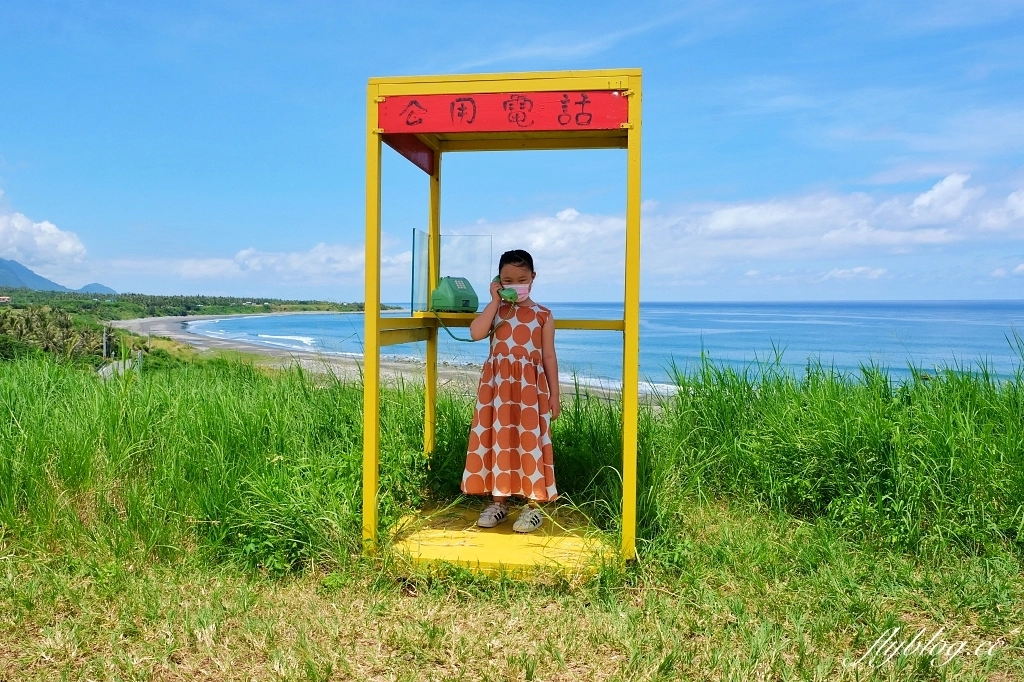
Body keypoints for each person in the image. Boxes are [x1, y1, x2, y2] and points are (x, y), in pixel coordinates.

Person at [461, 249, 561, 533]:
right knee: (499, 439)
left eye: (521, 279)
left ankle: (533, 507)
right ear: (498, 281)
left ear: (533, 278)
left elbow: (549, 357)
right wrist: (494, 300)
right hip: (497, 390)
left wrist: (555, 395)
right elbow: (476, 333)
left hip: (530, 391)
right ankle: (499, 502)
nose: (515, 284)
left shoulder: (543, 315)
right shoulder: (498, 311)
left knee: (530, 441)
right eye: (507, 280)